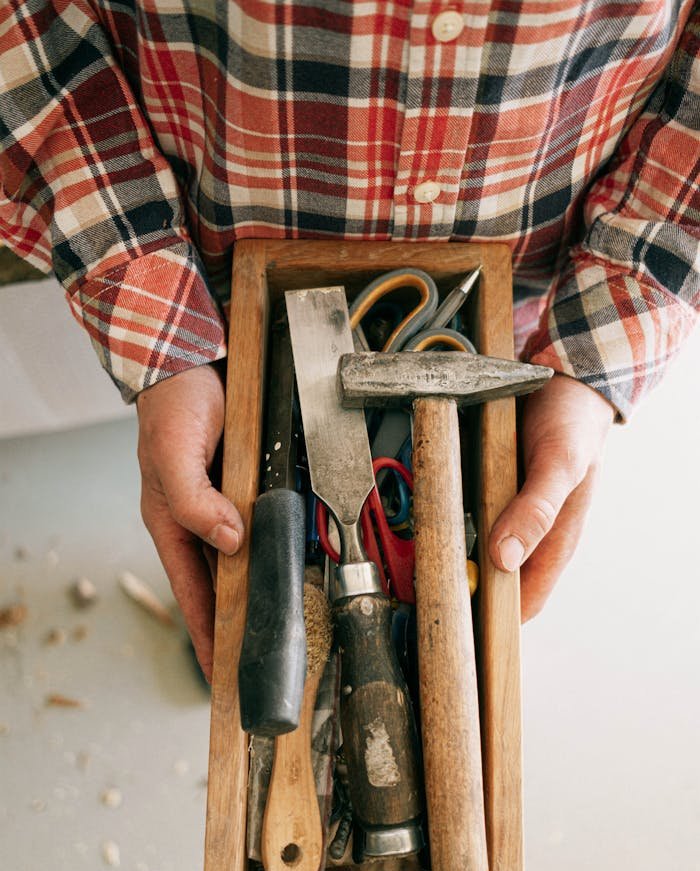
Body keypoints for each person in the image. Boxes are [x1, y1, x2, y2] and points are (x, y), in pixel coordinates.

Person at [1, 2, 698, 683]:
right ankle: (262, 602)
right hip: (212, 276)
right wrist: (159, 330)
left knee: (399, 523)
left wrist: (593, 362)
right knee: (231, 504)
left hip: (512, 289)